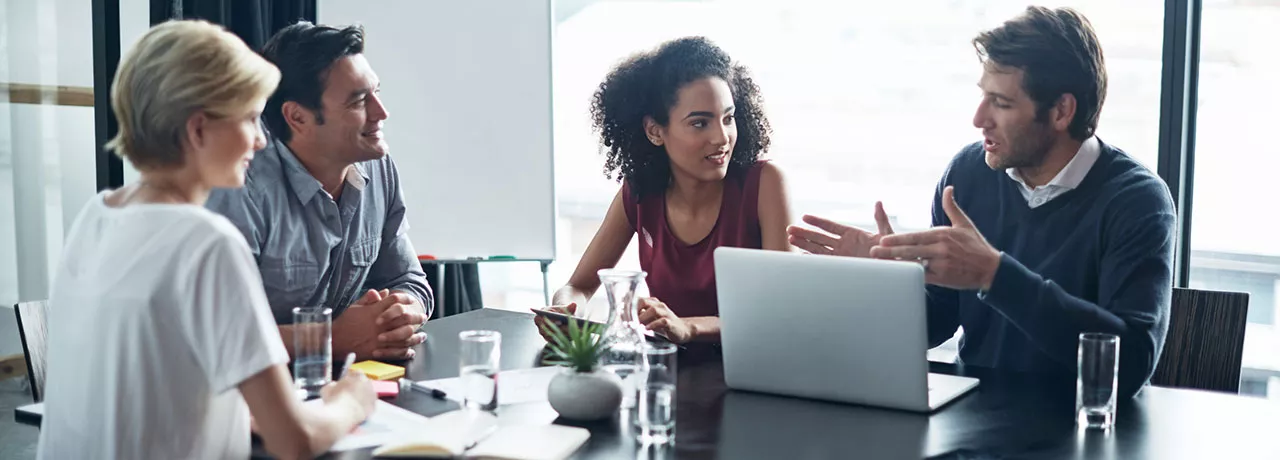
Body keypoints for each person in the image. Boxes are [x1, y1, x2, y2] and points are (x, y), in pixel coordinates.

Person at [788, 6, 1175, 398]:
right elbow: (939, 318)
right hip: (975, 415)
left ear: (1061, 111)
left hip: (1080, 421)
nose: (978, 118)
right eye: (982, 96)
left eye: (1001, 102)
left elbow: (1131, 364)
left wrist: (994, 275)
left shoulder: (1137, 201)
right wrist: (882, 283)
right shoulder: (969, 172)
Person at [38, 20, 375, 459]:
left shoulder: (96, 215)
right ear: (198, 130)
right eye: (251, 119)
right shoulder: (207, 243)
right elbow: (295, 442)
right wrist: (351, 402)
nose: (261, 140)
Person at [539, 37, 793, 344]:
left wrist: (688, 327)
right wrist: (565, 310)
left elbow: (779, 310)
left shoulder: (765, 183)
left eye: (728, 118)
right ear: (655, 131)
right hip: (670, 366)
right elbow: (578, 287)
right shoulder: (639, 193)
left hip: (754, 366)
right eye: (700, 123)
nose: (722, 137)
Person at [207, 22, 432, 361]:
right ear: (297, 117)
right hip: (257, 386)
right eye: (359, 101)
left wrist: (400, 313)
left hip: (352, 378)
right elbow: (217, 335)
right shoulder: (239, 187)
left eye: (376, 92)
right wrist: (329, 338)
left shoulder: (377, 164)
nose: (381, 113)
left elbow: (408, 279)